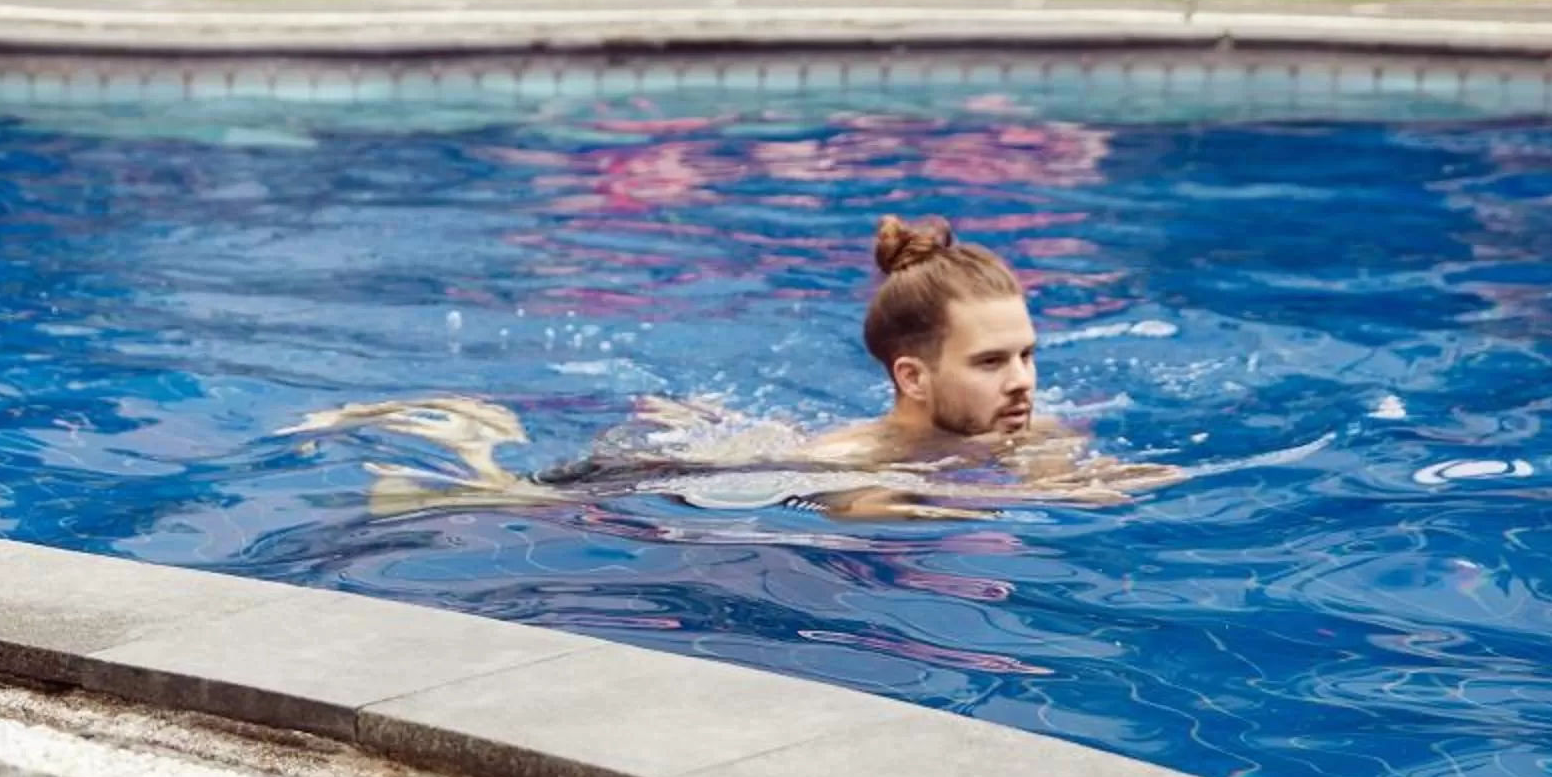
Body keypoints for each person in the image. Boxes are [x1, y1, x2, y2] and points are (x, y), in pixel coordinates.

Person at [288, 213, 1175, 518]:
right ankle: (447, 430)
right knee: (516, 499)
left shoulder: (1034, 432)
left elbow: (1065, 469)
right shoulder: (853, 465)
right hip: (725, 470)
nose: (1022, 380)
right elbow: (864, 512)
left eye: (1027, 354)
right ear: (912, 378)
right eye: (991, 362)